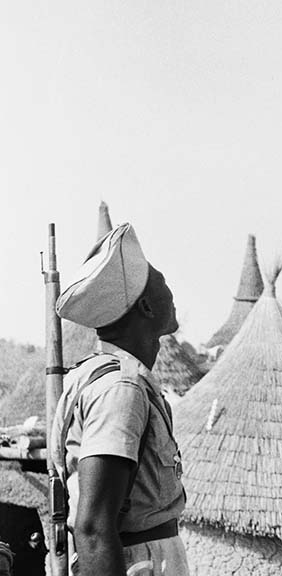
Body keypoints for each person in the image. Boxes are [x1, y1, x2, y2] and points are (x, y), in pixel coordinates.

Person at [51, 223, 189, 576]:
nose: (169, 288)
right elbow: (94, 528)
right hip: (138, 564)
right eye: (158, 280)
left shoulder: (119, 380)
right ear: (145, 305)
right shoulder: (120, 390)